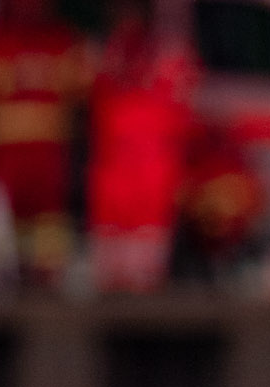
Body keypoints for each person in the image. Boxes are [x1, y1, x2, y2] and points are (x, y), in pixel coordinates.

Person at [0, 0, 90, 290]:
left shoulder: (62, 40)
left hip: (48, 158)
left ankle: (48, 288)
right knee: (2, 236)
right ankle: (4, 288)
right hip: (6, 158)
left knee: (48, 234)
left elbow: (83, 87)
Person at [86, 0, 196, 293]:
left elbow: (182, 118)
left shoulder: (170, 57)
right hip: (115, 178)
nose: (125, 18)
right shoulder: (106, 54)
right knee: (111, 276)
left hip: (149, 178)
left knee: (145, 276)